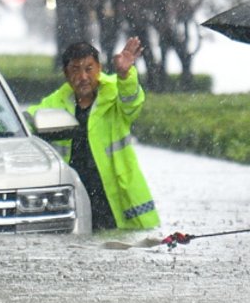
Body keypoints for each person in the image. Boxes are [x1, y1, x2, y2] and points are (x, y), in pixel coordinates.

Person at [34, 36, 159, 232]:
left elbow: (132, 104)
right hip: (74, 202)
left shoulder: (115, 93)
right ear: (66, 74)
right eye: (75, 70)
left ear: (99, 68)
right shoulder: (54, 104)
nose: (83, 77)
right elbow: (24, 123)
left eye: (89, 69)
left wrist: (125, 76)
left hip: (116, 202)